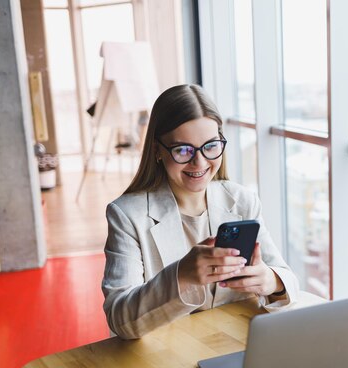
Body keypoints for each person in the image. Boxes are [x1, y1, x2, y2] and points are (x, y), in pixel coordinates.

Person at [102, 84, 299, 339]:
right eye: (183, 150)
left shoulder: (242, 201)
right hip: (164, 355)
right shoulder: (126, 215)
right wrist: (180, 276)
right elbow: (120, 319)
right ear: (157, 150)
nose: (200, 162)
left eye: (210, 146)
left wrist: (270, 281)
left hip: (234, 345)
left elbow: (288, 280)